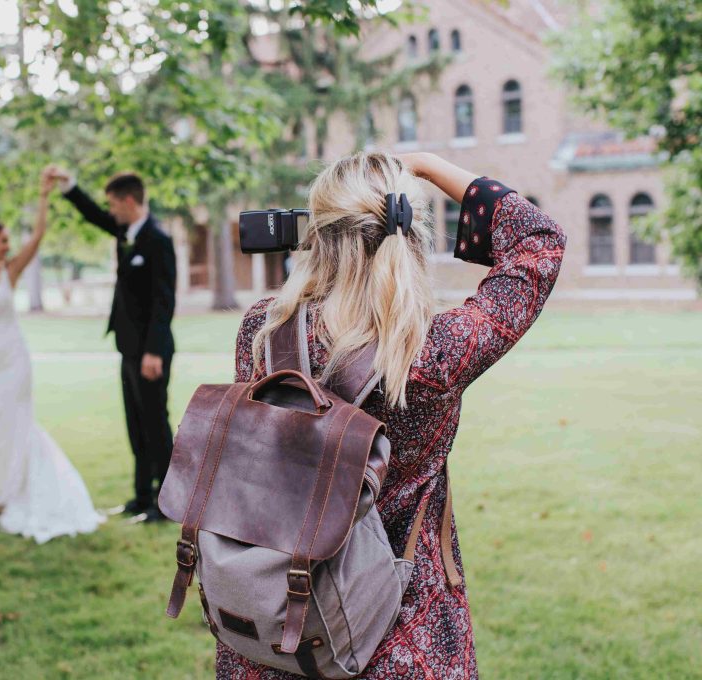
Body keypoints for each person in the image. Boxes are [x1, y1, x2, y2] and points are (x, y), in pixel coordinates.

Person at [217, 151, 566, 678]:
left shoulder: (262, 334)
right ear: (409, 238)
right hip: (402, 631)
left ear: (315, 236)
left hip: (277, 623)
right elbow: (539, 243)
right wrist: (428, 165)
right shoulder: (430, 354)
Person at [0, 168, 103, 543]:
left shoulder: (9, 273)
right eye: (1, 241)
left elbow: (39, 236)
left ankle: (12, 492)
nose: (7, 248)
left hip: (14, 363)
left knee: (14, 426)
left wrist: (44, 195)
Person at [47, 167, 176, 523]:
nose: (111, 211)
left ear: (129, 201)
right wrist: (69, 187)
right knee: (135, 424)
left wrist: (153, 350)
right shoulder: (125, 232)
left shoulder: (158, 241)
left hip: (151, 351)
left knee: (155, 424)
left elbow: (164, 301)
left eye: (114, 204)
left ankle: (165, 503)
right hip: (128, 347)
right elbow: (93, 216)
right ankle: (140, 497)